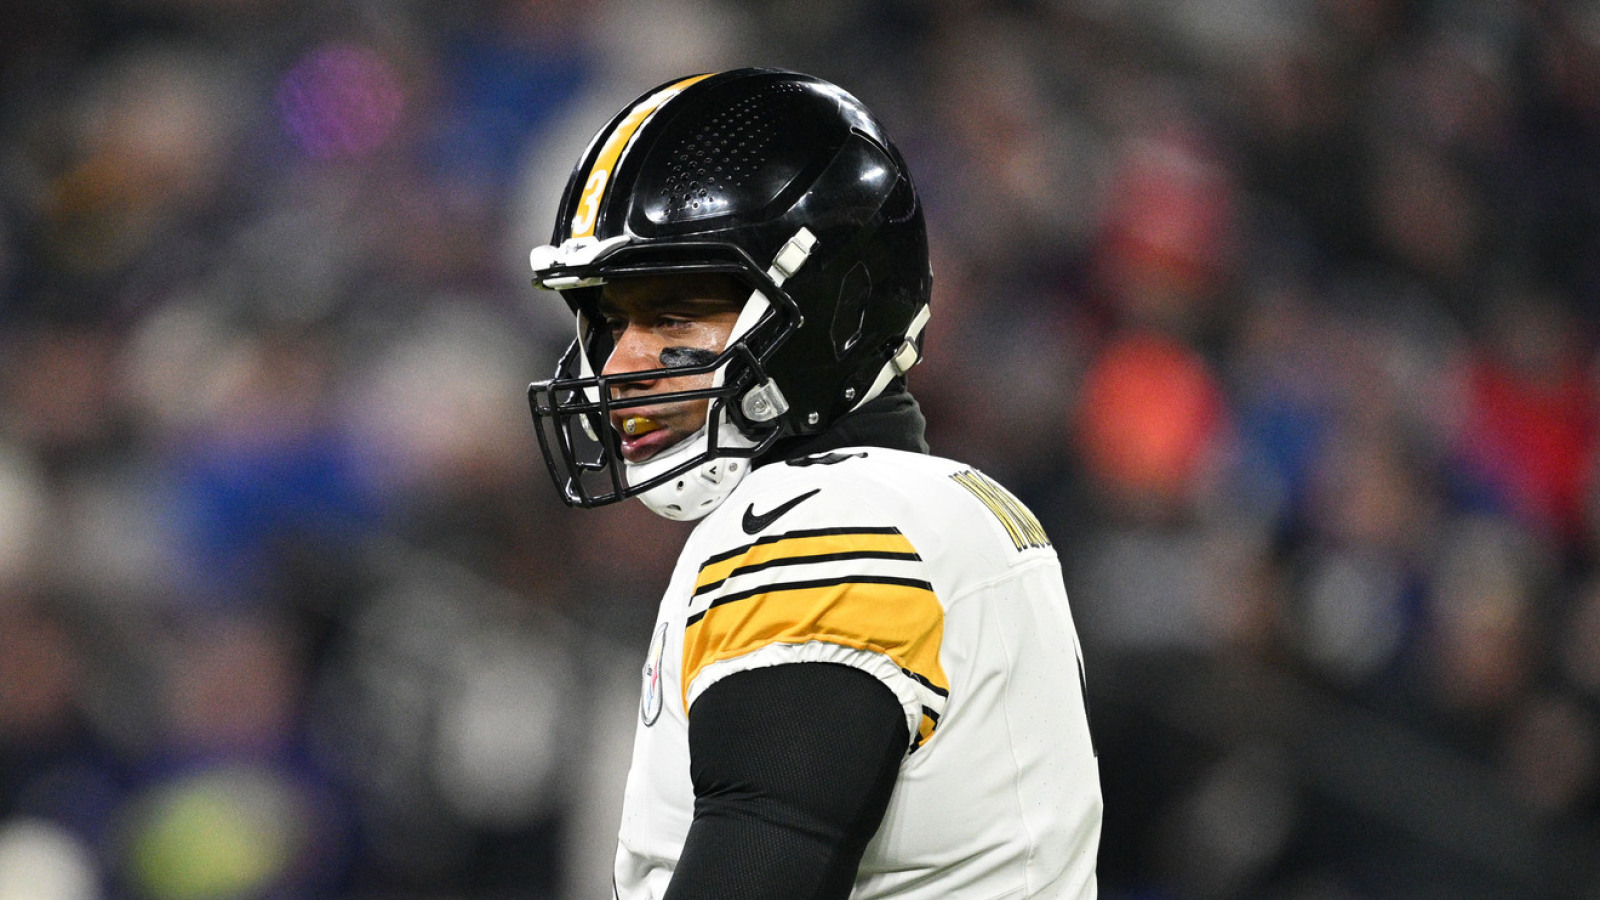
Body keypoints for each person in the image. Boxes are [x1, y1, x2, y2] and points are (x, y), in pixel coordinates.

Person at [524, 68, 1101, 899]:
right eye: (610, 321)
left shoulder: (819, 523)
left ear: (835, 306)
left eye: (672, 315)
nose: (618, 366)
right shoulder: (956, 509)